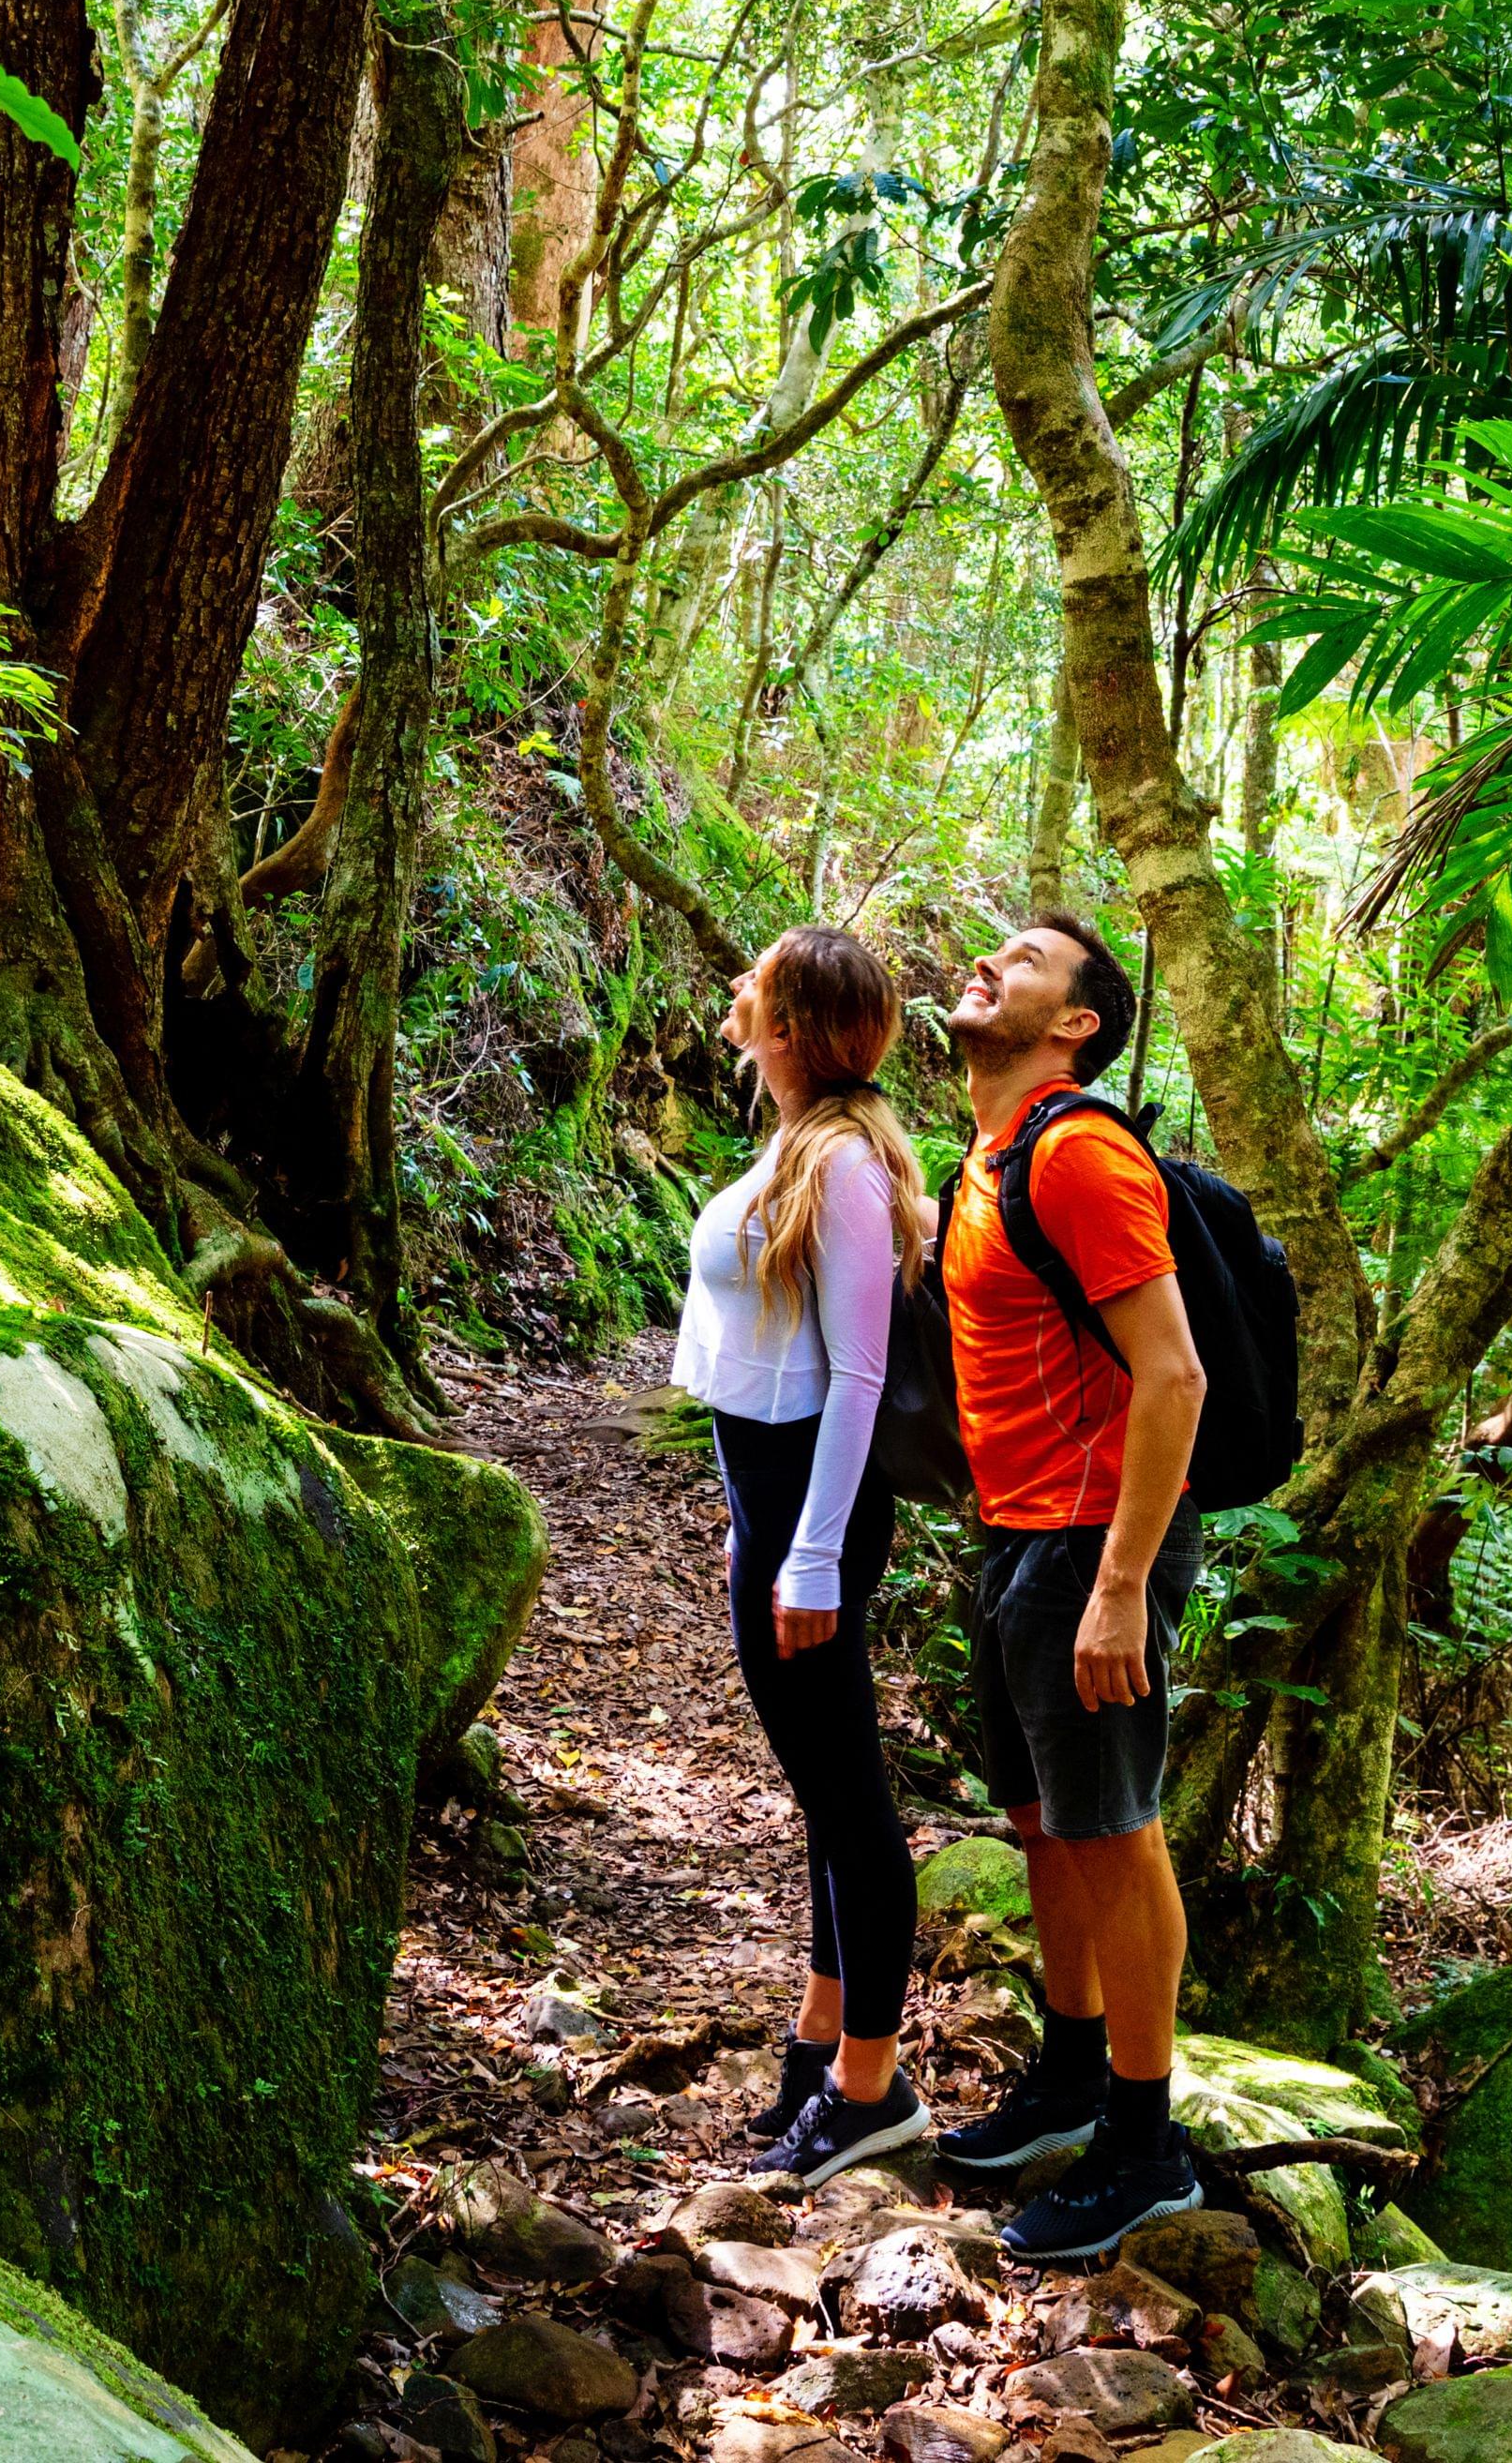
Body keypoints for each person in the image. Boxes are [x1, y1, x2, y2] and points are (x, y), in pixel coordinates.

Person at [921, 915, 1216, 2264]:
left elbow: (1174, 1375)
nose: (990, 958)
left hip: (1096, 1542)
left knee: (1114, 1830)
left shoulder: (1082, 1150)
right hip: (1020, 1536)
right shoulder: (985, 1158)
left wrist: (1122, 1587)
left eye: (1026, 957)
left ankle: (1145, 2148)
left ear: (1077, 1020)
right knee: (1046, 1822)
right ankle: (1072, 2075)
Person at [673, 923, 939, 2179]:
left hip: (804, 1505)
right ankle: (821, 2040)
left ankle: (870, 2090)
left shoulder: (837, 1163)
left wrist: (814, 1553)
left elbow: (859, 1372)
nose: (738, 985)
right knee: (823, 1791)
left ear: (789, 1024)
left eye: (760, 980)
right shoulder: (800, 1140)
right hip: (770, 1496)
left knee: (848, 1799)